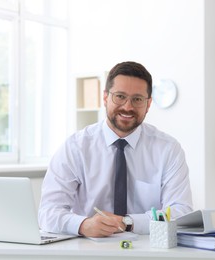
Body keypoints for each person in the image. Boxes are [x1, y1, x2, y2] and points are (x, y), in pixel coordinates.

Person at [38, 61, 193, 237]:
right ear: (105, 97)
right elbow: (47, 212)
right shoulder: (75, 148)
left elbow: (182, 213)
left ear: (148, 104)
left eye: (137, 99)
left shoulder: (168, 149)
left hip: (148, 249)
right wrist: (82, 225)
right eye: (120, 96)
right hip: (88, 249)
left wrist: (129, 222)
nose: (128, 107)